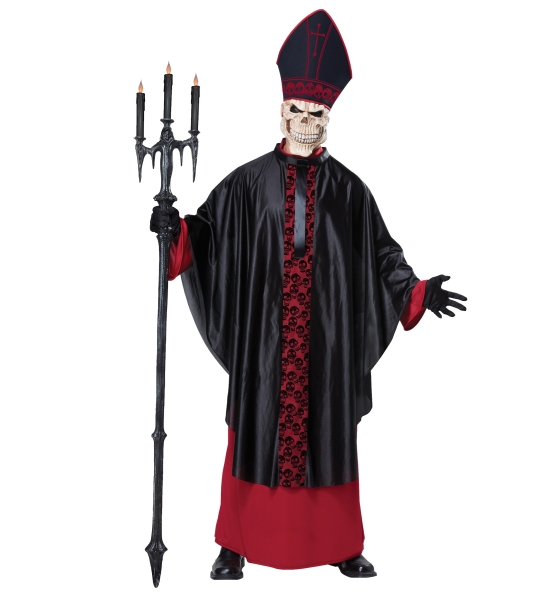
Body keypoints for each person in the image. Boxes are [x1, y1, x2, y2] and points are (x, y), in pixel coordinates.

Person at [150, 9, 467, 580]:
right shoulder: (248, 182)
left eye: (316, 113)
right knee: (254, 429)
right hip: (264, 344)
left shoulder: (350, 191)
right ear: (281, 111)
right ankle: (235, 544)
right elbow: (207, 235)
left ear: (329, 118)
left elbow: (382, 255)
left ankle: (341, 543)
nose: (305, 121)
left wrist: (416, 290)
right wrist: (175, 232)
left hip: (326, 344)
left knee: (329, 434)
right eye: (297, 110)